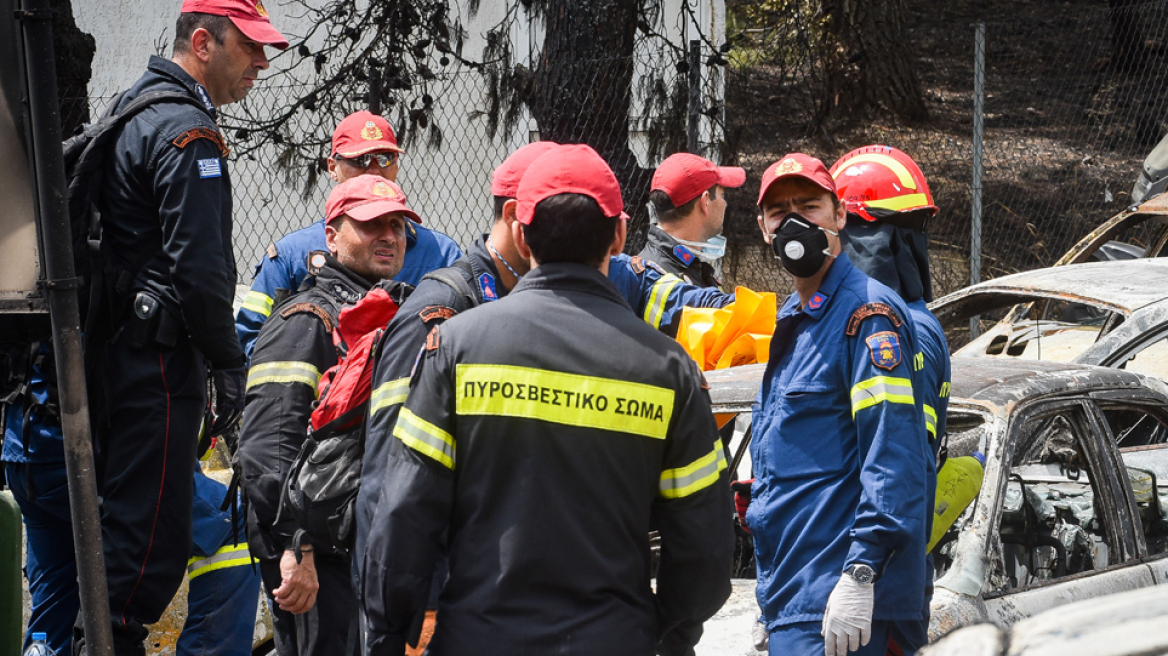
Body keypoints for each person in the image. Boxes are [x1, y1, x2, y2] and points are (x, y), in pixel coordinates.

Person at [354, 141, 734, 654]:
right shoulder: (669, 371)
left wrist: (389, 632)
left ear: (524, 236)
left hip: (480, 636)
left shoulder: (456, 349)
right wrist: (663, 630)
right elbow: (704, 550)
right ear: (620, 235)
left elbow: (401, 516)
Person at [76, 3, 287, 654]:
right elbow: (198, 270)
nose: (262, 62)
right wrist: (228, 364)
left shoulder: (129, 107)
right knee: (142, 560)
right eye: (249, 46)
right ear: (203, 42)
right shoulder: (184, 128)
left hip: (116, 360)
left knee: (115, 557)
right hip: (157, 371)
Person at [747, 153, 932, 656]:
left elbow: (894, 457)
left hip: (845, 603)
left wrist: (861, 572)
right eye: (779, 212)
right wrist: (775, 600)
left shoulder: (867, 315)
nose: (794, 222)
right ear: (763, 229)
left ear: (840, 216)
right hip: (800, 597)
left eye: (809, 206)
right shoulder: (799, 318)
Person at [238, 175, 415, 656]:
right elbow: (265, 448)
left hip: (360, 549)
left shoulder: (388, 314)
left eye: (398, 225)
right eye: (371, 224)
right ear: (331, 236)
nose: (389, 236)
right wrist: (298, 548)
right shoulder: (306, 320)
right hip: (316, 556)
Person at [830, 145, 952, 653]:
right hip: (884, 587)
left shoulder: (894, 329)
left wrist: (861, 573)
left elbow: (900, 464)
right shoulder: (915, 318)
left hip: (879, 596)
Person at [235, 110, 462, 360]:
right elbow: (251, 338)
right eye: (360, 159)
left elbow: (465, 340)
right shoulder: (291, 255)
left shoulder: (441, 253)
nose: (374, 170)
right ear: (332, 167)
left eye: (385, 158)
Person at [641, 152, 746, 288]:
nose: (725, 203)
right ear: (705, 201)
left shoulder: (664, 267)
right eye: (722, 194)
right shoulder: (671, 282)